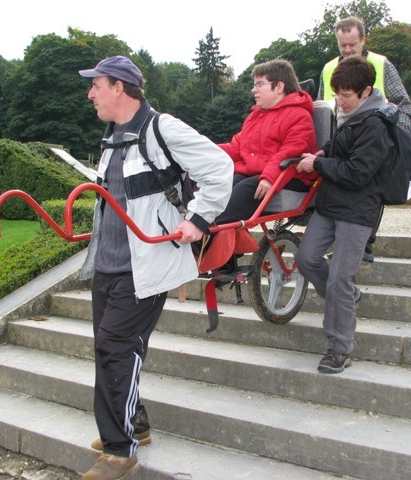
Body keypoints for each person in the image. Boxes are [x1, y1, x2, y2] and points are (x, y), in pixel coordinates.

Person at [77, 55, 233, 480]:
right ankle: (135, 424)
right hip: (108, 264)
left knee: (114, 347)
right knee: (114, 351)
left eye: (97, 85)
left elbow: (220, 167)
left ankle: (119, 452)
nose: (91, 93)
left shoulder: (161, 128)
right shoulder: (111, 136)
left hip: (146, 264)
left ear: (120, 88)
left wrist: (198, 220)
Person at [294, 56, 395, 374]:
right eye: (337, 94)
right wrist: (323, 152)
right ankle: (346, 297)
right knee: (307, 258)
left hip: (358, 211)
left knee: (339, 279)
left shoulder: (376, 124)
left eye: (346, 95)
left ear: (366, 91)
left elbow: (357, 172)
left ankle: (339, 347)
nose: (339, 100)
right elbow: (341, 149)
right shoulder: (351, 116)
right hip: (331, 204)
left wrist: (318, 164)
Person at [318, 16, 411, 263]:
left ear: (363, 39)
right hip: (340, 140)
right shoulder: (329, 69)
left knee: (369, 187)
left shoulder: (382, 65)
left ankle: (365, 243)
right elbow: (321, 107)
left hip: (374, 137)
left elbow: (404, 105)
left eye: (353, 44)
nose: (349, 51)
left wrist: (389, 134)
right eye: (343, 46)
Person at [214, 58, 317, 225]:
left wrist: (269, 177)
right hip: (256, 172)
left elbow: (290, 152)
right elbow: (237, 146)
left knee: (242, 191)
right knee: (221, 183)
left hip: (288, 176)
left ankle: (204, 233)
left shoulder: (299, 116)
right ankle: (210, 234)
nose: (253, 90)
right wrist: (205, 153)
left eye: (259, 84)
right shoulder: (256, 116)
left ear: (279, 87)